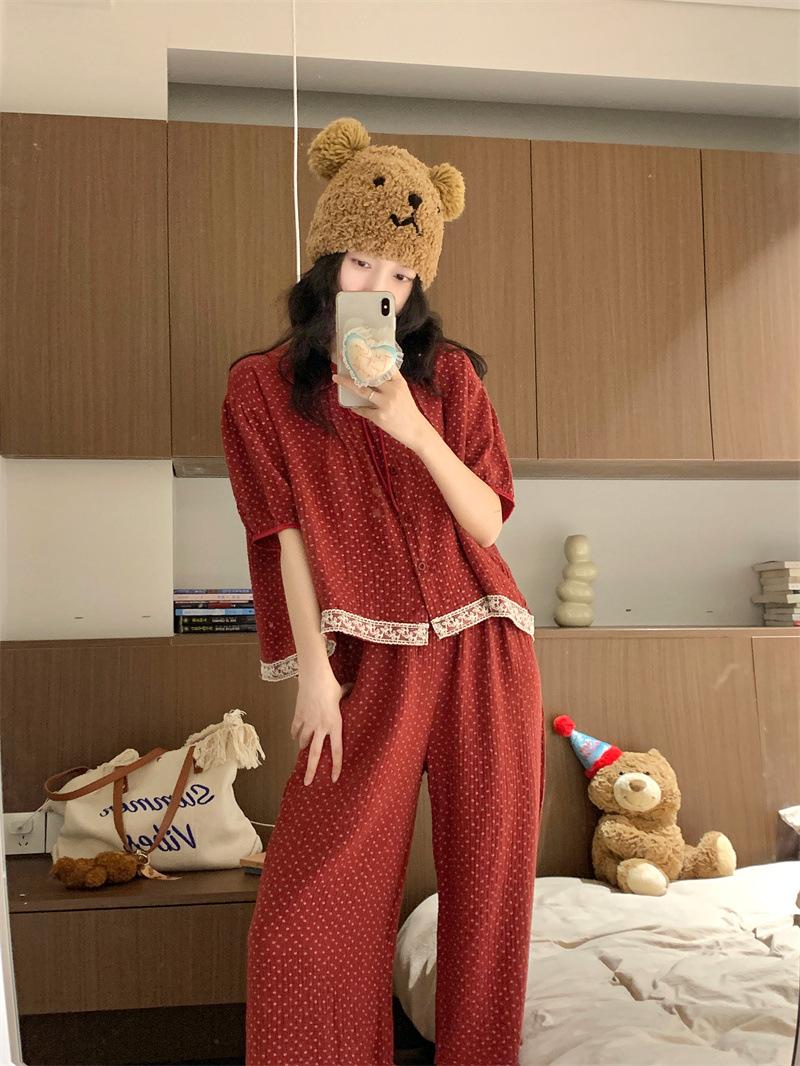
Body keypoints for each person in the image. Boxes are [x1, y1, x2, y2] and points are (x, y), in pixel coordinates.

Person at [221, 117, 545, 1066]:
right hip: (364, 660)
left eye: (401, 274)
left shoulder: (449, 379)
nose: (381, 288)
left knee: (489, 895)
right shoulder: (260, 391)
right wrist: (314, 675)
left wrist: (409, 421)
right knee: (307, 914)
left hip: (485, 645)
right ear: (328, 261)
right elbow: (280, 535)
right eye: (364, 263)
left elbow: (487, 522)